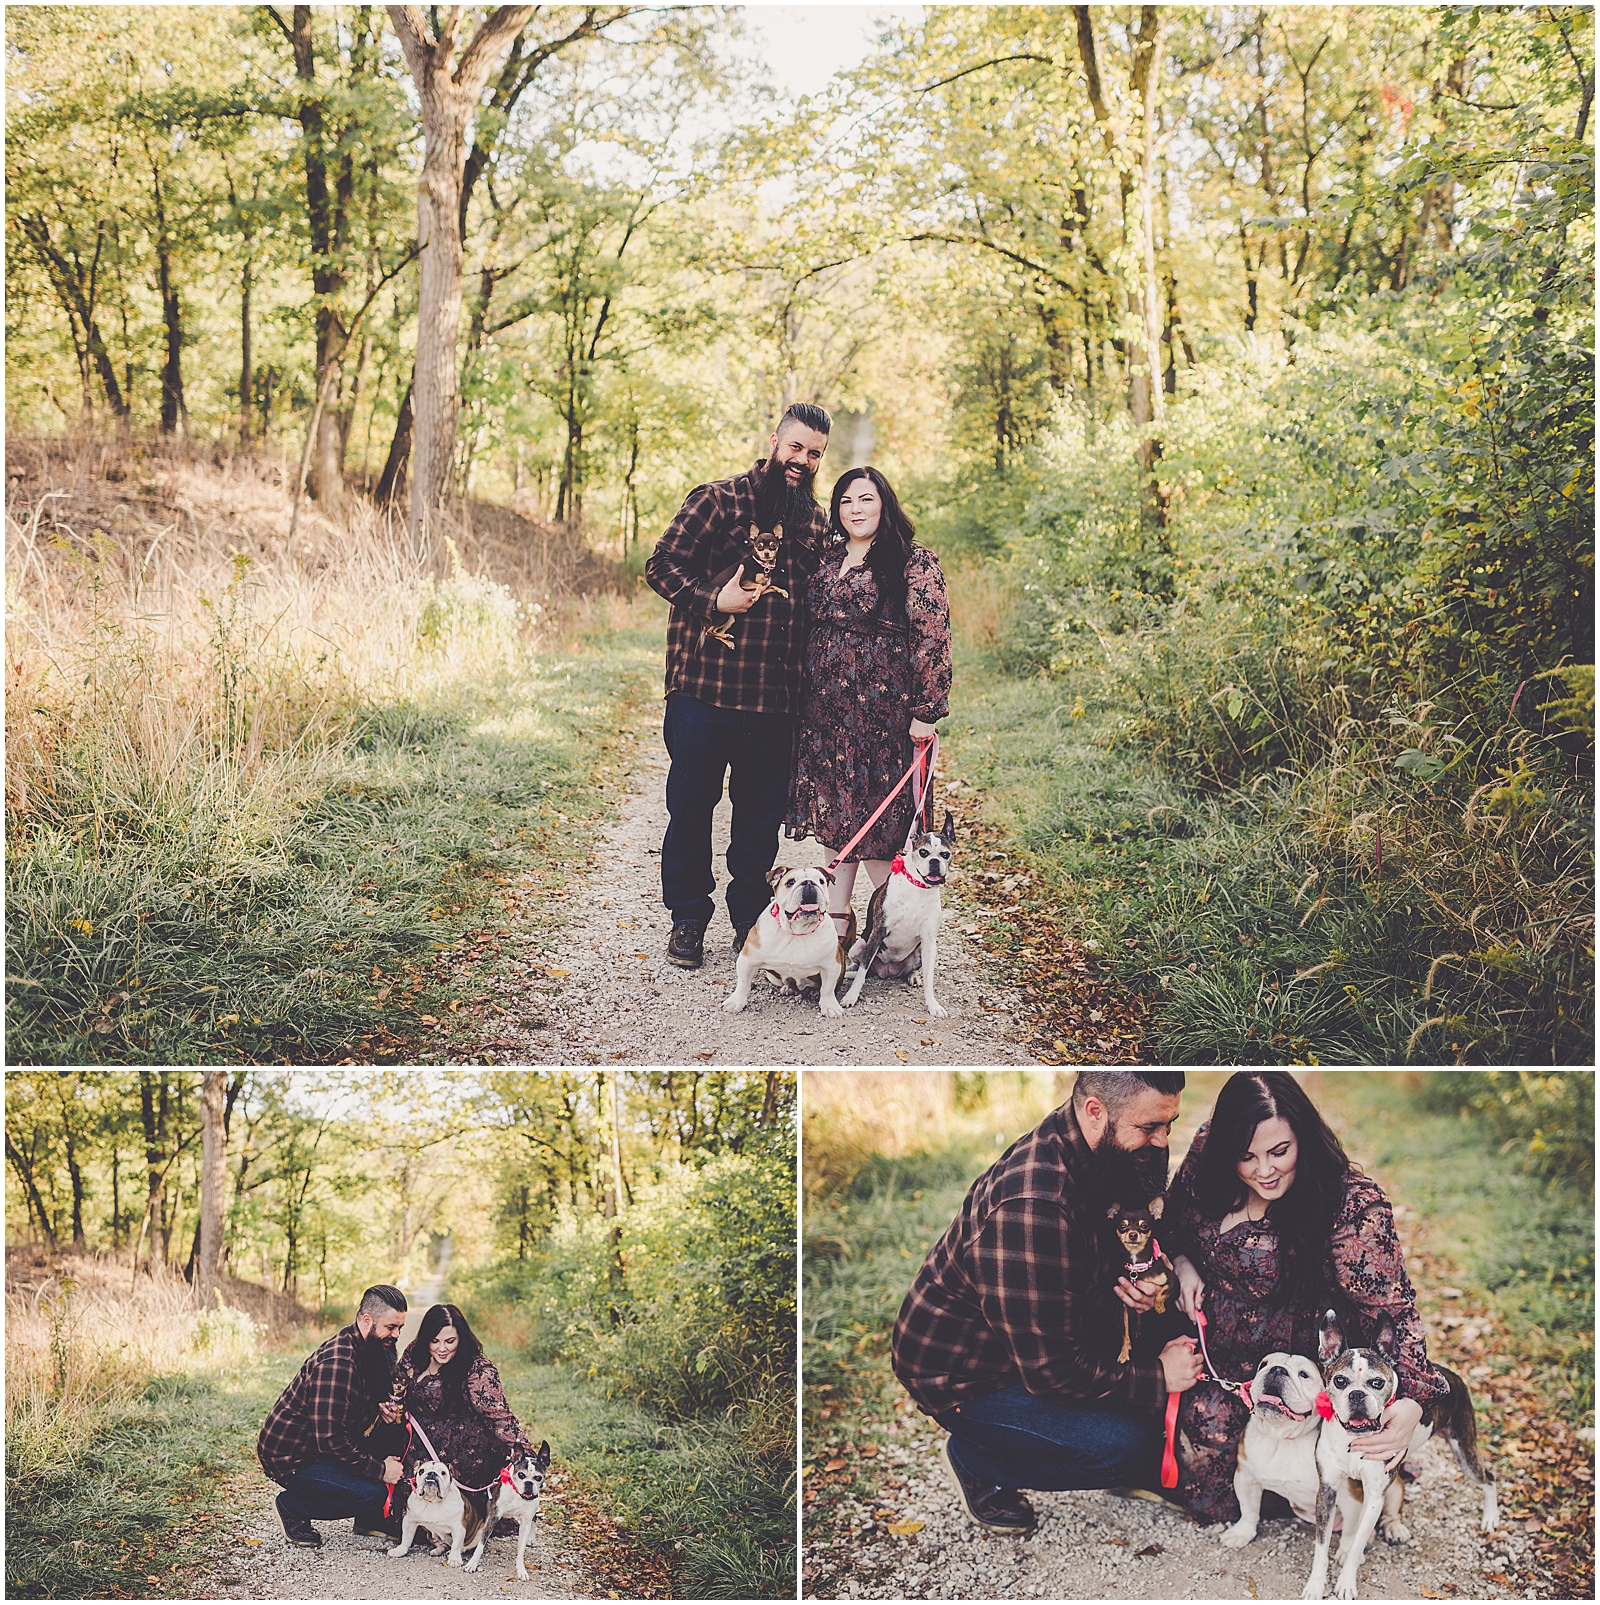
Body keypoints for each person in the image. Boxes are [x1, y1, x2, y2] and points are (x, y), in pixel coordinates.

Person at [892, 1072, 1201, 1535]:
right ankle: (977, 1460)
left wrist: (1152, 1285)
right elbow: (1052, 1370)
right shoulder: (1033, 1206)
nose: (1161, 1142)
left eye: (1169, 1124)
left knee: (1165, 1329)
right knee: (1121, 1449)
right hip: (971, 1375)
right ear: (1095, 1111)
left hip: (1040, 1328)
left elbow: (1131, 1238)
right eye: (1149, 1128)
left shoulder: (1102, 1146)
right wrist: (1157, 1376)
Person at [1164, 1071, 1451, 1526]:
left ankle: (1347, 1479)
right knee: (1208, 1504)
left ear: (1305, 1138)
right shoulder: (1206, 1154)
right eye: (1246, 1156)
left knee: (1306, 1498)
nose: (1264, 1169)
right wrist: (1180, 1262)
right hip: (1211, 1361)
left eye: (1280, 1151)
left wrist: (1412, 1401)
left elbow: (1394, 1313)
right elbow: (1172, 1223)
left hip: (1299, 1371)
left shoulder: (1350, 1207)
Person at [645, 403, 832, 970]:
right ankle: (687, 921)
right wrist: (713, 599)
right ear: (775, 441)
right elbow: (661, 565)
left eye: (815, 454)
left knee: (757, 823)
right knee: (691, 810)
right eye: (796, 447)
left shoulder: (814, 523)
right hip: (704, 692)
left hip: (775, 705)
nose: (803, 461)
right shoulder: (717, 500)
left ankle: (750, 921)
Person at [785, 467, 953, 938]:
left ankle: (896, 926)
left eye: (866, 500)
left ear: (885, 504)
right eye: (846, 502)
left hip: (883, 713)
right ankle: (835, 920)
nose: (855, 510)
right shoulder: (826, 556)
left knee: (883, 820)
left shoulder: (911, 561)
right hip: (824, 712)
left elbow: (933, 636)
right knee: (836, 809)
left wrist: (926, 710)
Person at [257, 1284, 410, 1549]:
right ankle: (292, 1507)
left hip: (320, 1443)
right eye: (390, 1327)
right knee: (371, 1493)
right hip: (294, 1456)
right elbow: (330, 1442)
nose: (396, 1335)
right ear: (366, 1320)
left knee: (395, 1433)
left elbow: (356, 1398)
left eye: (399, 1328)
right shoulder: (336, 1364)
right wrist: (381, 1470)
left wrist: (381, 1409)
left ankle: (369, 1521)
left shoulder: (370, 1346)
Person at [379, 1302, 540, 1535]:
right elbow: (397, 1387)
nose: (442, 1348)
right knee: (409, 1503)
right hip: (419, 1442)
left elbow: (500, 1418)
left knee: (447, 1510)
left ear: (461, 1339)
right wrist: (390, 1407)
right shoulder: (415, 1353)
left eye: (450, 1341)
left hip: (465, 1451)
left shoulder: (478, 1370)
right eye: (435, 1341)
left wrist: (527, 1458)